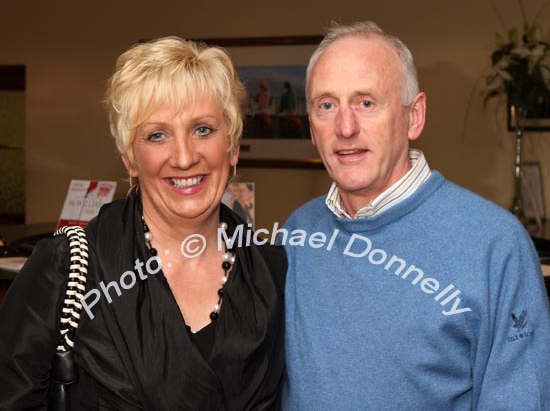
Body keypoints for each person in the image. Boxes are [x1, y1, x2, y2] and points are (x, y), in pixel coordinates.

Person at [0, 37, 286, 410]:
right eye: (157, 135)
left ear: (232, 147)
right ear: (129, 160)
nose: (184, 158)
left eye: (202, 129)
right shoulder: (66, 267)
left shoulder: (274, 271)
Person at [281, 21, 550, 410]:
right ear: (311, 127)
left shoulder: (496, 246)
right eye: (326, 105)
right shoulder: (295, 236)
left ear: (415, 116)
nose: (345, 126)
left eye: (366, 102)